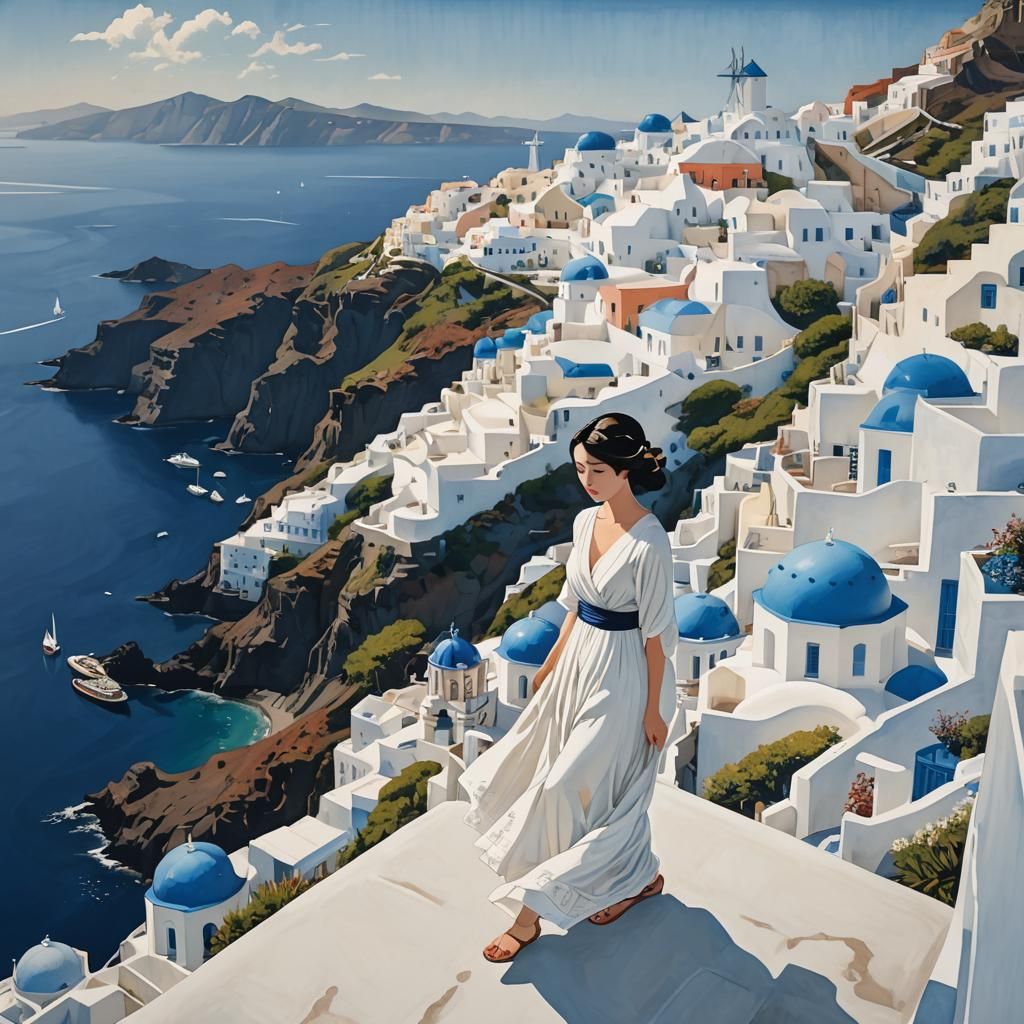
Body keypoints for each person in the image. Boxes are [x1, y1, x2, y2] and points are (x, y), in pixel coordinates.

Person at [458, 412, 677, 963]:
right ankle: (640, 877)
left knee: (564, 788)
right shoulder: (584, 524)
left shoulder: (651, 543)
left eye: (598, 469)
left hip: (624, 677)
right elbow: (577, 610)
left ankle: (526, 919)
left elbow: (655, 638)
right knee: (598, 790)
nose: (587, 480)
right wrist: (550, 667)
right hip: (579, 665)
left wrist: (652, 711)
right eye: (580, 468)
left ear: (626, 471)